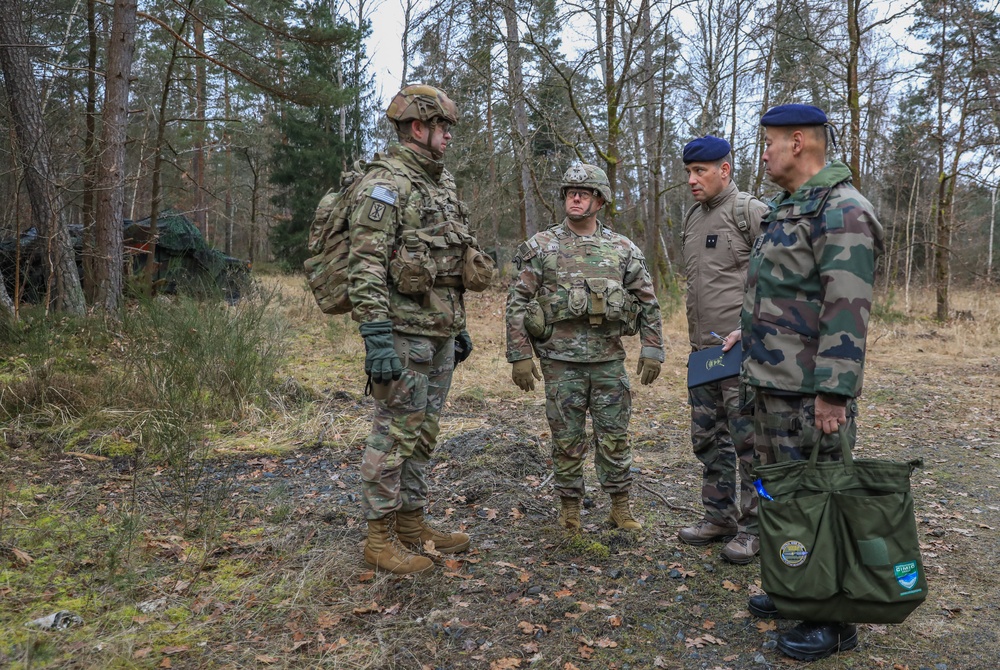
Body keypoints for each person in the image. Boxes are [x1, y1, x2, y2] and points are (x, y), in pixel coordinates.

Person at [722, 104, 884, 661]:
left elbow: (846, 308)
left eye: (767, 142)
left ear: (798, 142)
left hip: (810, 393)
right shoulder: (790, 209)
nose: (762, 153)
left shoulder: (842, 210)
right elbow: (781, 296)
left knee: (822, 501)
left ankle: (833, 620)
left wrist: (834, 392)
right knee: (785, 501)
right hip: (771, 382)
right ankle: (796, 588)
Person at [348, 84, 495, 576]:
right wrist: (376, 338)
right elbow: (365, 264)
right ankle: (378, 538)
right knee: (393, 435)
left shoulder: (440, 184)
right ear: (419, 128)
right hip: (402, 334)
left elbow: (450, 260)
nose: (449, 136)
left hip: (439, 333)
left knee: (424, 433)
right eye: (443, 128)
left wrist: (459, 326)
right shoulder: (386, 184)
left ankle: (412, 524)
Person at [505, 163, 665, 533]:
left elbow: (647, 301)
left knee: (614, 436)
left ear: (600, 200)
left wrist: (652, 348)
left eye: (584, 192)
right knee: (566, 438)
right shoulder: (541, 247)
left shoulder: (622, 249)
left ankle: (620, 507)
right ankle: (570, 509)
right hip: (560, 363)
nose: (575, 198)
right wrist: (520, 355)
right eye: (570, 192)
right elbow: (517, 302)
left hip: (608, 360)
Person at [677, 136, 769, 564]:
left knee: (750, 443)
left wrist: (750, 330)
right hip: (704, 354)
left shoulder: (749, 210)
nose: (692, 180)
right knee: (709, 440)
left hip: (742, 353)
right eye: (689, 172)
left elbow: (778, 279)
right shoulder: (694, 217)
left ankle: (756, 528)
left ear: (725, 169)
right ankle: (720, 516)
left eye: (701, 171)